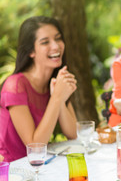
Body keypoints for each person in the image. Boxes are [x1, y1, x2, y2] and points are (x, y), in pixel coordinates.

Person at [0, 16, 77, 162]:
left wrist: (58, 98)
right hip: (14, 170)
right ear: (31, 51)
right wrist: (56, 98)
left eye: (58, 38)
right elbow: (35, 147)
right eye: (45, 42)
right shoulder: (15, 86)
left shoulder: (55, 82)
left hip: (43, 166)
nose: (55, 46)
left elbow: (73, 134)